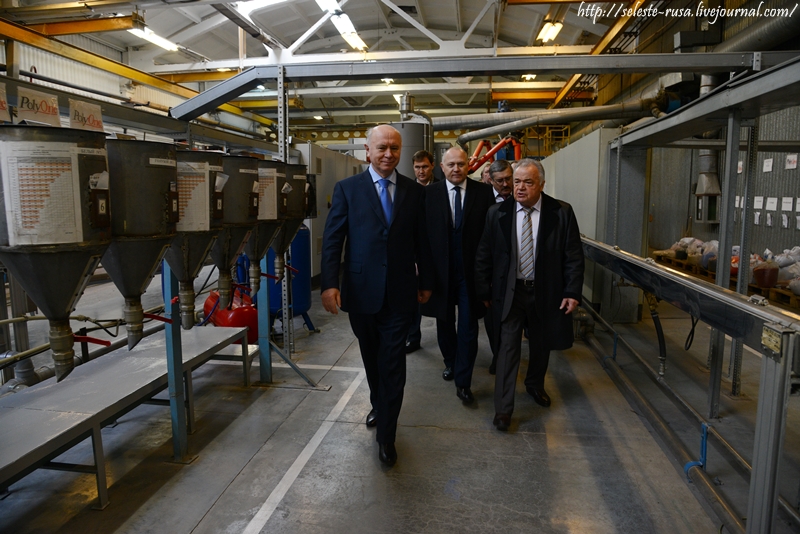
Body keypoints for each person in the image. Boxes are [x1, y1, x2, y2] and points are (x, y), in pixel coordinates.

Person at [321, 124, 433, 466]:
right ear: (367, 151)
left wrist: (426, 281)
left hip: (400, 293)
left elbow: (423, 241)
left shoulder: (414, 192)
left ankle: (387, 435)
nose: (388, 154)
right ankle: (378, 403)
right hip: (361, 292)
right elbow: (333, 238)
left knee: (393, 362)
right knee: (372, 358)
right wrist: (329, 283)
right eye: (381, 147)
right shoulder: (347, 189)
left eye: (394, 148)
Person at [475, 159, 584, 431]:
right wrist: (483, 289)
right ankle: (503, 409)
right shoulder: (496, 213)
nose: (520, 188)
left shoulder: (561, 212)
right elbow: (484, 254)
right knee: (507, 348)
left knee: (541, 343)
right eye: (516, 182)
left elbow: (573, 256)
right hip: (510, 293)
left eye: (528, 182)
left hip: (546, 292)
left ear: (542, 185)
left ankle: (535, 384)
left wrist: (572, 290)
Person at [421, 147, 494, 403]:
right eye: (450, 164)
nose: (456, 169)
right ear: (442, 167)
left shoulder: (484, 193)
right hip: (441, 273)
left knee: (468, 326)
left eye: (461, 164)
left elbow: (491, 236)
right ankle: (450, 361)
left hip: (470, 274)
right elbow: (422, 237)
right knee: (444, 322)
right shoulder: (429, 194)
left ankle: (464, 381)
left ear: (468, 165)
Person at [484, 159, 514, 375]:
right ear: (491, 181)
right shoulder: (484, 201)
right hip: (495, 273)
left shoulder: (522, 196)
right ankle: (498, 355)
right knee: (494, 321)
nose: (505, 184)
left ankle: (509, 357)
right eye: (500, 181)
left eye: (508, 179)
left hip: (519, 270)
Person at [406, 150, 436, 354]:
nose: (421, 171)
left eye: (425, 166)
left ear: (432, 165)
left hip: (436, 249)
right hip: (415, 251)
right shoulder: (407, 190)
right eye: (417, 167)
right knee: (413, 296)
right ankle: (413, 337)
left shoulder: (441, 188)